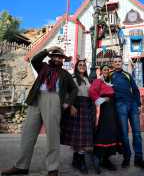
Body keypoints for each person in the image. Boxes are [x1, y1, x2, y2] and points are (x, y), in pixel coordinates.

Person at [1, 46, 78, 176]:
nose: (58, 58)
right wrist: (49, 49)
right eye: (55, 56)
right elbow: (34, 59)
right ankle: (21, 166)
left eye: (60, 57)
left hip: (53, 99)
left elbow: (74, 89)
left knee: (53, 136)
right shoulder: (42, 67)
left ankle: (53, 169)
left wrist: (68, 103)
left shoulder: (65, 74)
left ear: (63, 60)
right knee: (27, 134)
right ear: (51, 57)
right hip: (37, 99)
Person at [110, 55, 144, 170]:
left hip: (132, 105)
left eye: (119, 61)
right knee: (124, 134)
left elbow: (136, 90)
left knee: (137, 134)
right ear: (113, 64)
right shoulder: (110, 75)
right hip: (120, 106)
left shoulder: (127, 75)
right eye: (115, 62)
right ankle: (126, 158)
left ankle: (139, 159)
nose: (118, 63)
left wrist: (138, 104)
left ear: (121, 63)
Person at [60, 59, 93, 174]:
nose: (82, 66)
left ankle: (76, 159)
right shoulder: (73, 78)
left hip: (86, 108)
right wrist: (71, 105)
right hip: (76, 106)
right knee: (80, 137)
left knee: (81, 136)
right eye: (80, 65)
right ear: (76, 66)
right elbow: (67, 93)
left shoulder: (88, 79)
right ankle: (81, 161)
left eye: (84, 65)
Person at [89, 64, 122, 173]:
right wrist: (102, 100)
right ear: (101, 71)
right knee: (103, 132)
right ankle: (97, 157)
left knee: (112, 133)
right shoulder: (98, 81)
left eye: (108, 69)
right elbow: (92, 91)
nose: (106, 71)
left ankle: (106, 159)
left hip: (112, 110)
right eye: (104, 69)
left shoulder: (111, 82)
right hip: (104, 110)